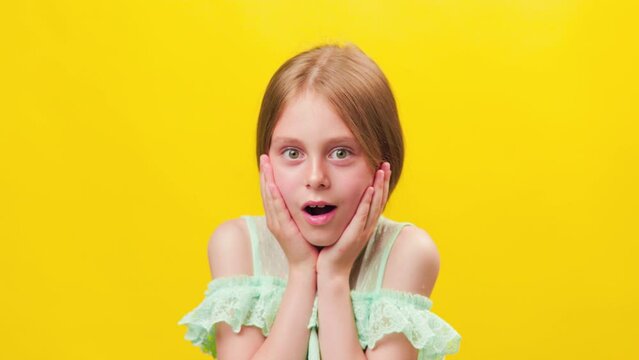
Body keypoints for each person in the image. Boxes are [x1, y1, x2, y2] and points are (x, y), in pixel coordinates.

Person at [178, 43, 461, 360]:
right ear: (265, 161)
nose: (315, 177)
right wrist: (301, 272)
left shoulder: (407, 252)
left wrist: (334, 277)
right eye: (293, 153)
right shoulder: (236, 245)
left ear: (382, 162)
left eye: (341, 153)